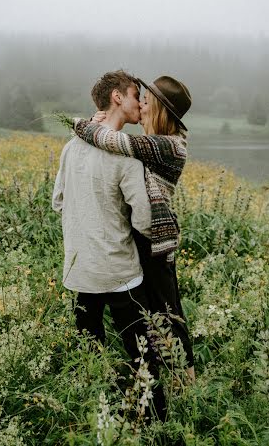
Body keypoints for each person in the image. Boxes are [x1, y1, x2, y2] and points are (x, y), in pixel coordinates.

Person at [52, 70, 166, 419]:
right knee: (143, 360)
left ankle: (91, 419)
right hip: (120, 276)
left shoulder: (71, 147)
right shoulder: (127, 158)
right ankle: (153, 426)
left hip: (81, 273)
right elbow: (145, 222)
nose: (141, 104)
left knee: (88, 356)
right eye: (136, 96)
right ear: (117, 97)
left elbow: (58, 201)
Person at [72, 75, 195, 383]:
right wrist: (96, 124)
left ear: (160, 110)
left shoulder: (169, 145)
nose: (141, 103)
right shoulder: (149, 140)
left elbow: (112, 140)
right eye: (139, 98)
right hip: (137, 237)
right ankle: (157, 375)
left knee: (170, 312)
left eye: (147, 101)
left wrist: (82, 124)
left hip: (156, 240)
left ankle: (186, 383)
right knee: (149, 314)